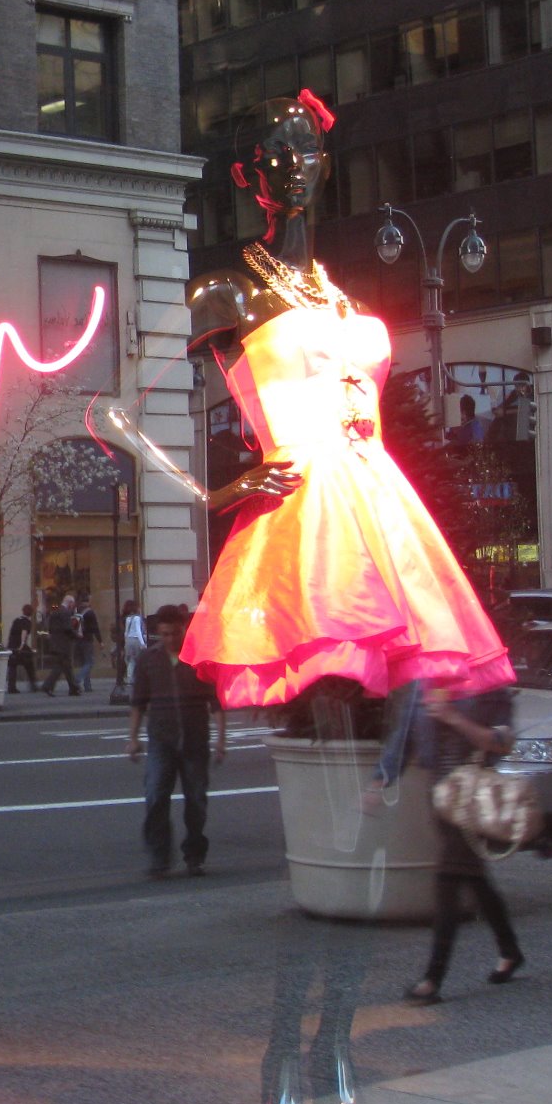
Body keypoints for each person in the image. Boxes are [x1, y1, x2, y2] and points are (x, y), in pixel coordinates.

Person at [181, 94, 513, 709]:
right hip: (300, 501)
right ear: (246, 175)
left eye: (307, 151)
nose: (294, 166)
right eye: (276, 154)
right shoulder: (227, 294)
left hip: (378, 502)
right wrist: (215, 493)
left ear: (326, 164)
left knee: (388, 671)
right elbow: (120, 407)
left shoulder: (346, 301)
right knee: (328, 665)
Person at [405, 686, 525, 1005]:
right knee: (474, 877)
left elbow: (503, 742)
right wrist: (381, 778)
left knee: (448, 879)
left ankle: (433, 979)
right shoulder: (427, 682)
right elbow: (409, 740)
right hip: (440, 798)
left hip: (472, 800)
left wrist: (453, 718)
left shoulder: (490, 689)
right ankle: (510, 951)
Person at [127, 604, 224, 878]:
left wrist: (221, 739)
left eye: (175, 633)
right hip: (161, 739)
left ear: (184, 629)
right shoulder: (148, 660)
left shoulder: (199, 658)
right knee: (155, 795)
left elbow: (215, 703)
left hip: (195, 739)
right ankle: (159, 857)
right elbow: (138, 703)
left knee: (196, 800)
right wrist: (133, 738)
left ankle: (195, 856)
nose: (170, 639)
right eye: (165, 634)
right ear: (159, 633)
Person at [40, 593, 80, 696]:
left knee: (67, 666)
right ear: (70, 603)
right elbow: (67, 628)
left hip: (55, 643)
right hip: (64, 644)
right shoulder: (65, 612)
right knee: (60, 666)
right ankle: (48, 685)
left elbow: (50, 628)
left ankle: (73, 688)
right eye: (73, 604)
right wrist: (77, 635)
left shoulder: (56, 611)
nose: (73, 606)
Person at [5, 604, 39, 694]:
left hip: (11, 645)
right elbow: (24, 633)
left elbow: (11, 633)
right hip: (19, 646)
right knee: (29, 664)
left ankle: (11, 687)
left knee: (12, 666)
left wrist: (9, 646)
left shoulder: (16, 620)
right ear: (31, 613)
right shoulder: (27, 622)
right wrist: (22, 645)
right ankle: (33, 684)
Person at [118, 600, 146, 687]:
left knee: (130, 661)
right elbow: (138, 631)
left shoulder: (128, 618)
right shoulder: (137, 618)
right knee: (138, 660)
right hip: (136, 640)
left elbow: (126, 632)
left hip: (128, 640)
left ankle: (130, 679)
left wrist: (126, 642)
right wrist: (142, 643)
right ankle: (138, 678)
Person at [76, 596, 101, 692]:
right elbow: (95, 628)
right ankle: (78, 678)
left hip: (79, 640)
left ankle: (87, 685)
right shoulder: (90, 613)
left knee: (85, 663)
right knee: (90, 662)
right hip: (87, 640)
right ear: (88, 601)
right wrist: (100, 641)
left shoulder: (78, 611)